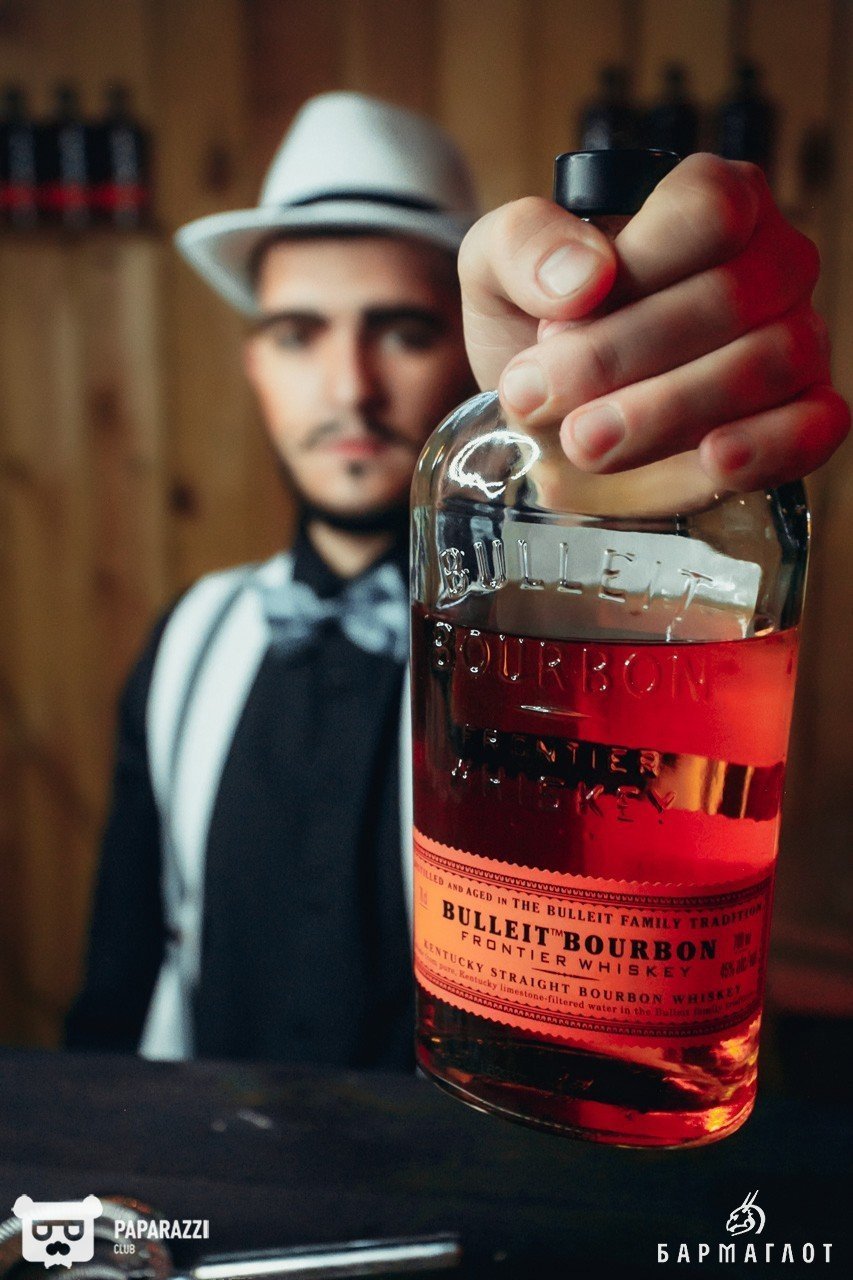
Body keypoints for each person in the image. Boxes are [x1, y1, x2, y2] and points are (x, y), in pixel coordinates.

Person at [65, 92, 849, 1067]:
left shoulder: (554, 635)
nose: (349, 386)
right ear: (254, 363)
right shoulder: (187, 641)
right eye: (298, 333)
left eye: (401, 330)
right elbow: (114, 995)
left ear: (471, 344)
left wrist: (610, 471)